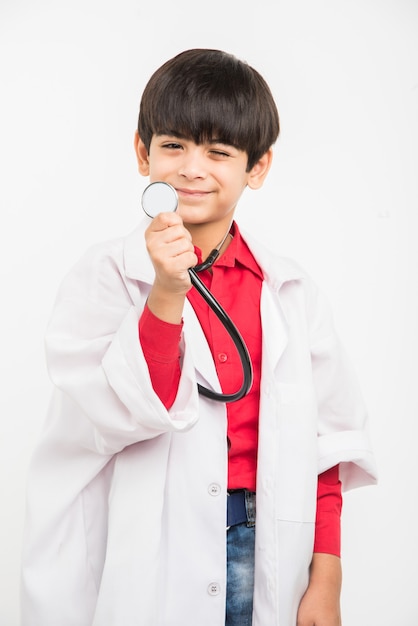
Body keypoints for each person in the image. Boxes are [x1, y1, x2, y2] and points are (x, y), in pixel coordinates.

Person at [21, 48, 377, 626]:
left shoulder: (289, 291)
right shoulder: (106, 277)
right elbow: (131, 411)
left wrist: (326, 580)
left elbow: (327, 449)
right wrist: (165, 292)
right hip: (150, 556)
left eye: (219, 152)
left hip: (265, 554)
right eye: (173, 146)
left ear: (256, 168)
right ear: (143, 153)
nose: (192, 168)